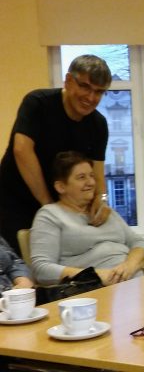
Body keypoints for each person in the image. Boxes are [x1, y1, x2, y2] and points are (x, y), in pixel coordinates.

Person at [0, 55, 112, 256]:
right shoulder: (38, 103)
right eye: (85, 87)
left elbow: (97, 172)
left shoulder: (98, 124)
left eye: (98, 92)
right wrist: (49, 206)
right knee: (20, 266)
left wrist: (101, 199)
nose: (91, 97)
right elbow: (22, 150)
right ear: (68, 81)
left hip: (59, 209)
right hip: (14, 203)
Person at [30, 151, 144, 286]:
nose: (91, 182)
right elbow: (41, 269)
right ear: (61, 187)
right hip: (95, 290)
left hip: (136, 281)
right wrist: (93, 276)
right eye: (81, 177)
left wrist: (130, 265)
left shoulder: (103, 211)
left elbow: (138, 242)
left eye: (91, 176)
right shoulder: (50, 215)